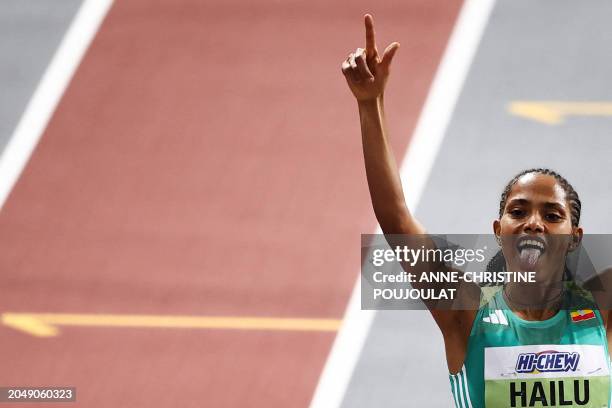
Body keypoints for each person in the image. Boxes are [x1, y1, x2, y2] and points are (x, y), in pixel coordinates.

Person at [341, 14, 611, 407]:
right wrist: (370, 105)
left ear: (574, 238)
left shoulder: (599, 312)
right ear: (500, 229)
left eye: (552, 215)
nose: (533, 222)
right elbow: (396, 218)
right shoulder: (465, 312)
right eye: (519, 211)